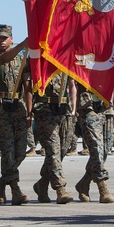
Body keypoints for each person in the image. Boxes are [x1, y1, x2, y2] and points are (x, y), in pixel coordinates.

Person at [0, 24, 31, 205]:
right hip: (0, 108)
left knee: (21, 152)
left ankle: (0, 184)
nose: (1, 41)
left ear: (11, 39)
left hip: (18, 107)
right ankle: (15, 189)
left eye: (4, 38)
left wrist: (29, 112)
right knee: (7, 151)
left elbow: (27, 87)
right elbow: (0, 62)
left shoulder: (22, 59)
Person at [31, 72, 75, 204]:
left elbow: (72, 84)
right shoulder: (39, 57)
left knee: (61, 151)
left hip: (64, 109)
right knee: (53, 149)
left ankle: (42, 184)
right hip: (44, 108)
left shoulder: (65, 60)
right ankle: (60, 188)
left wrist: (73, 107)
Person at [74, 77, 114, 204]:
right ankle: (102, 186)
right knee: (97, 148)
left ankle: (84, 183)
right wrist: (73, 108)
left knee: (105, 149)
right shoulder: (80, 57)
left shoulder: (107, 58)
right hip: (87, 105)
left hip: (106, 105)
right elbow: (72, 82)